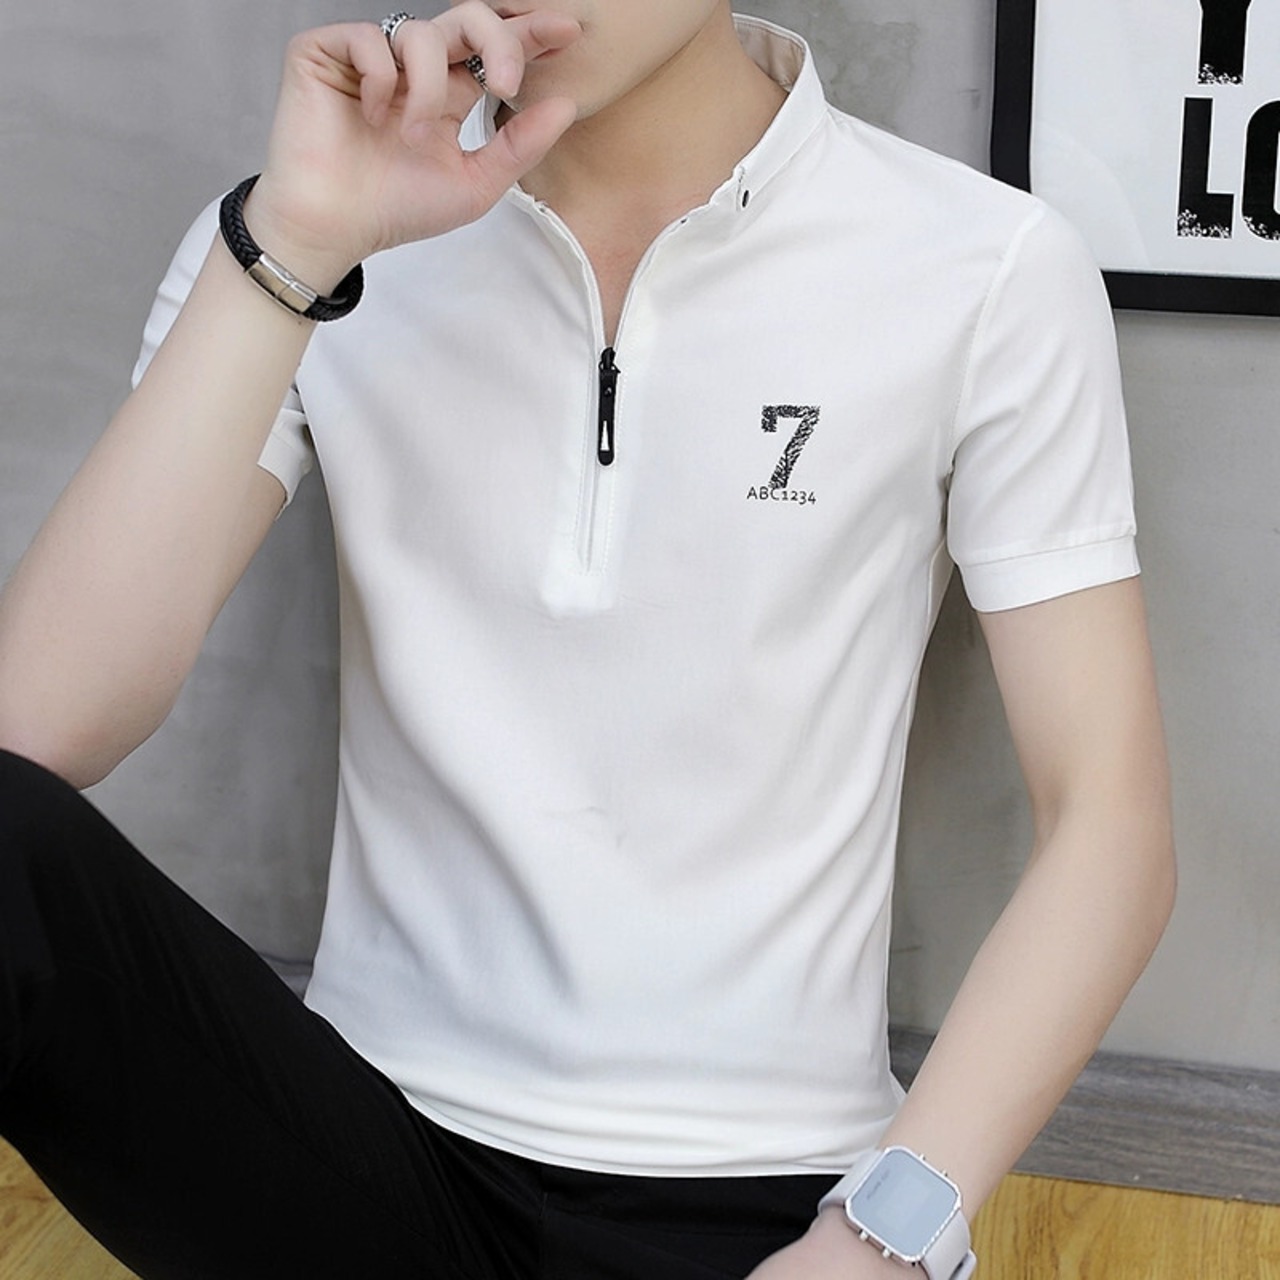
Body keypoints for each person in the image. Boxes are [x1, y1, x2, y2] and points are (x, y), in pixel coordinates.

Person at [0, 3, 1176, 1278]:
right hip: (367, 1147)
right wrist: (293, 246)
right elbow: (35, 731)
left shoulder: (982, 266)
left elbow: (1107, 824)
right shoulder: (301, 233)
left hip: (765, 1198)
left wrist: (879, 1237)